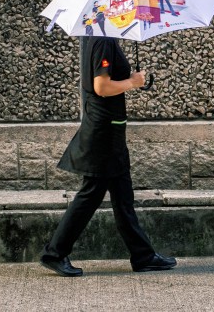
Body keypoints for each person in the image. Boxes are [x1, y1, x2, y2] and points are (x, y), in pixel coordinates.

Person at [39, 37, 177, 277]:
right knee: (91, 194)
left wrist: (130, 80)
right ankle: (54, 253)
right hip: (103, 133)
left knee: (123, 196)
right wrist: (133, 82)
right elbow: (101, 87)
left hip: (112, 131)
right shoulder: (102, 40)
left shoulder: (105, 39)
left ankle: (143, 256)